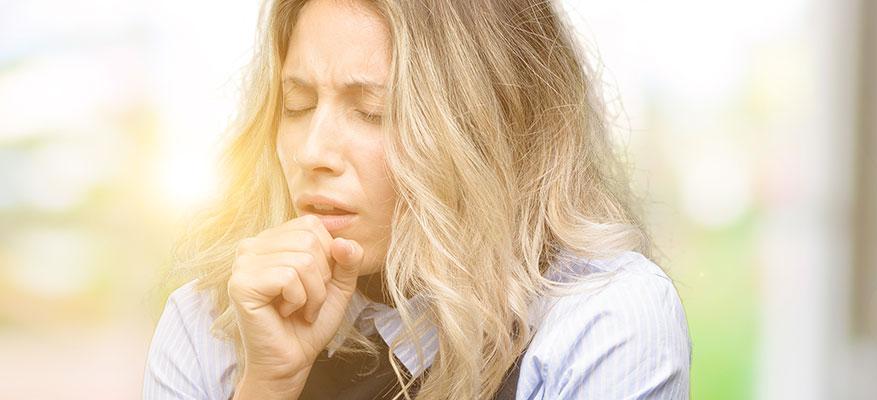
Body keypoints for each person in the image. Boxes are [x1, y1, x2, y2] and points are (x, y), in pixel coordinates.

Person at [142, 0, 691, 399]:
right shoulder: (208, 325)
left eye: (372, 111)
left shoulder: (604, 319)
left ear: (488, 130)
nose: (313, 152)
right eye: (298, 104)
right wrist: (268, 385)